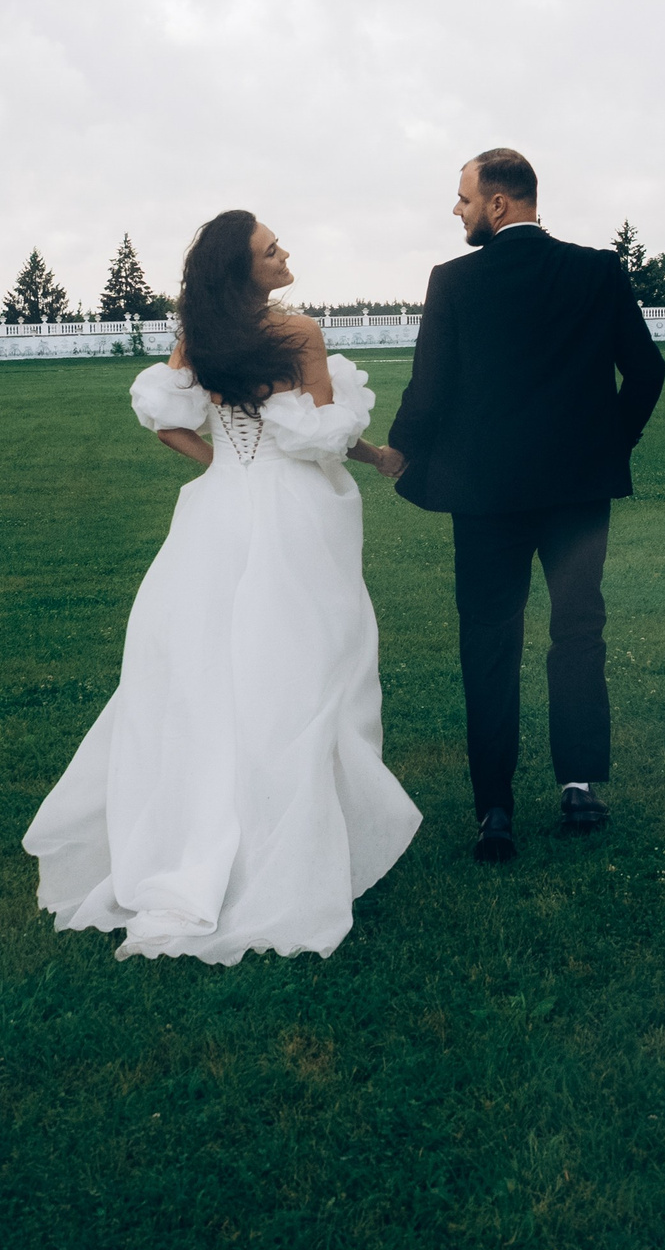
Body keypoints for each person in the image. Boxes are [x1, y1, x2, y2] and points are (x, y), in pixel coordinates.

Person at [24, 211, 421, 962]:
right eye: (273, 249)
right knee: (305, 673)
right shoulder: (298, 333)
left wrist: (215, 464)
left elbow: (162, 416)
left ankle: (206, 833)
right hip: (293, 510)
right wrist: (374, 455)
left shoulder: (199, 338)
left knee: (207, 676)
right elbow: (316, 436)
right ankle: (287, 844)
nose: (285, 252)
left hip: (217, 513)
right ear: (245, 270)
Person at [386, 149, 665, 862]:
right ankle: (578, 786)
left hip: (484, 498)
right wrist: (610, 445)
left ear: (500, 203)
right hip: (577, 490)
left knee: (489, 641)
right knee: (578, 631)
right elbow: (647, 370)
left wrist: (401, 450)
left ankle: (495, 810)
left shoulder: (454, 281)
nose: (457, 210)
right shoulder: (597, 271)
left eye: (463, 198)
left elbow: (429, 388)